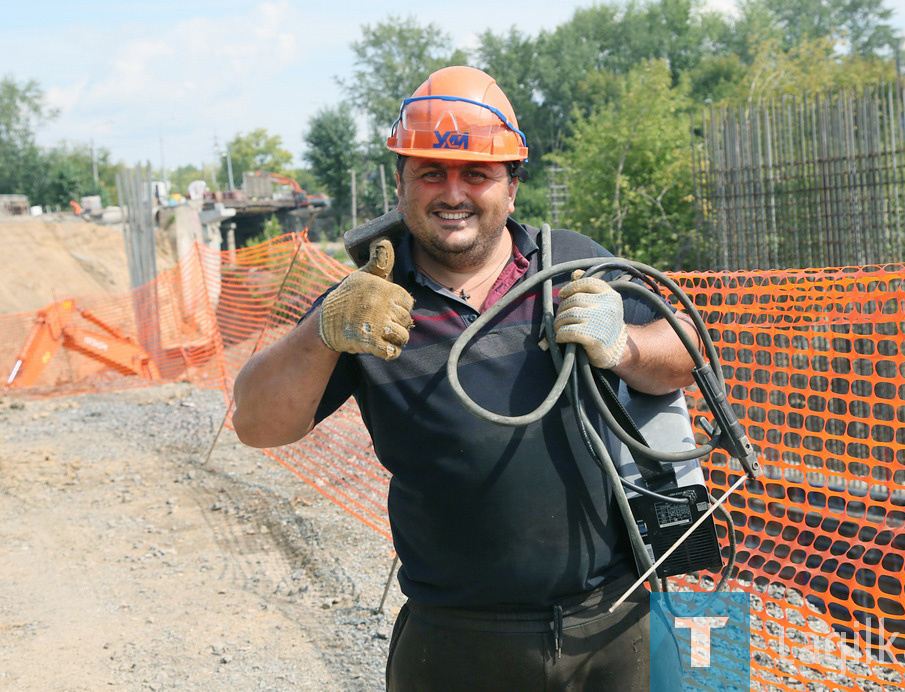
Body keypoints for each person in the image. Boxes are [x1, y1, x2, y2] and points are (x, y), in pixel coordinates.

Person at [233, 65, 696, 691]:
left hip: (614, 622)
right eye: (431, 172)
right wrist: (322, 332)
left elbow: (685, 358)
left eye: (476, 173)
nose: (453, 192)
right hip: (457, 642)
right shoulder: (368, 299)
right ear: (400, 184)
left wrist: (625, 344)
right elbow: (257, 425)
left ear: (510, 187)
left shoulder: (572, 264)